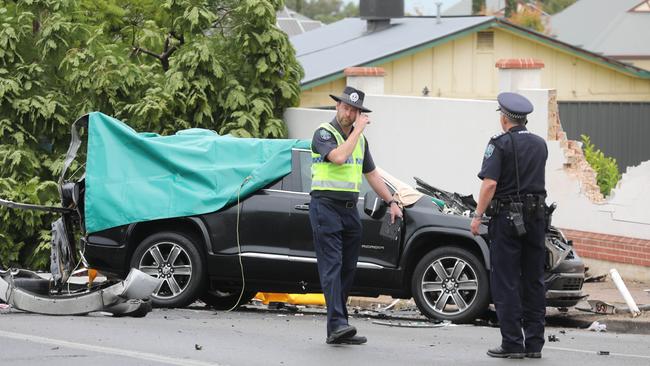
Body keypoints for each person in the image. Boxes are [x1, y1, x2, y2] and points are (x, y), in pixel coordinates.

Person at [309, 86, 402, 345]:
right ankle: (338, 324)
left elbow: (371, 173)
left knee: (348, 269)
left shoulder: (360, 141)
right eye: (345, 107)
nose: (349, 113)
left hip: (350, 211)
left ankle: (338, 328)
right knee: (332, 267)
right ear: (337, 106)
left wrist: (391, 200)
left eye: (354, 110)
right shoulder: (324, 133)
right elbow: (338, 158)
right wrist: (358, 129)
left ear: (359, 112)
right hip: (325, 207)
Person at [470, 92, 548, 359]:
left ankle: (513, 343)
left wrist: (478, 215)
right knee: (534, 280)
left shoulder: (499, 144)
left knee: (506, 281)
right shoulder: (540, 144)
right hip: (538, 218)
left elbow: (490, 184)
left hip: (507, 219)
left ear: (504, 118)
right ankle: (535, 344)